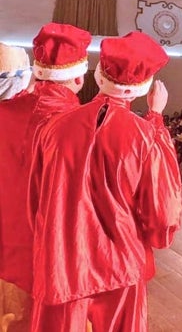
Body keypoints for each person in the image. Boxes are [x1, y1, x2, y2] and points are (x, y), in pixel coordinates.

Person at [28, 31, 182, 331]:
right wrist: (156, 117)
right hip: (121, 266)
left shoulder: (52, 128)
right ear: (141, 89)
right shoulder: (146, 136)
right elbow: (163, 216)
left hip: (62, 262)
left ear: (97, 76)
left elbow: (37, 202)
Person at [0, 24, 90, 330]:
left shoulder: (3, 115)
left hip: (8, 254)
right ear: (80, 77)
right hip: (63, 263)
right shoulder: (90, 127)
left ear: (36, 73)